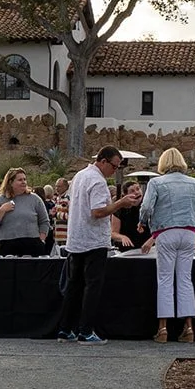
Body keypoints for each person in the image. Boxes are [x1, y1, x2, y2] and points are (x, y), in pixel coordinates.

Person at [55, 147, 137, 344]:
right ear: (102, 161)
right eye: (114, 166)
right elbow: (98, 212)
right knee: (92, 287)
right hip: (93, 241)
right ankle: (86, 330)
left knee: (74, 286)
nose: (114, 171)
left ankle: (65, 329)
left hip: (76, 239)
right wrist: (120, 204)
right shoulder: (98, 181)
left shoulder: (80, 176)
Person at [139, 148, 195, 342]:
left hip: (166, 232)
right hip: (188, 233)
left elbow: (146, 207)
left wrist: (142, 221)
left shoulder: (156, 182)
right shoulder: (194, 183)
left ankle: (162, 329)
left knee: (165, 280)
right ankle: (189, 327)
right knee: (185, 280)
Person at [0, 168, 52, 257]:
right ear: (10, 182)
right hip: (5, 245)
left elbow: (44, 221)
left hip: (31, 245)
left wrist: (41, 239)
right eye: (20, 180)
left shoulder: (35, 199)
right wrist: (2, 210)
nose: (24, 182)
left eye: (25, 179)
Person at [110, 179, 150, 250]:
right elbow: (113, 233)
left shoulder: (148, 206)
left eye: (138, 189)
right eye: (132, 191)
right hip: (127, 249)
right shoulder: (119, 209)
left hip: (148, 247)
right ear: (125, 195)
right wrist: (122, 237)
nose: (137, 192)